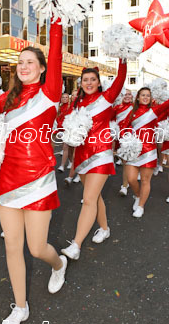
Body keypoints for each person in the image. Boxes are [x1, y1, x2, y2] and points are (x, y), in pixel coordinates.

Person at [0, 19, 67, 324]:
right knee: (13, 246)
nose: (24, 66)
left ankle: (59, 264)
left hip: (38, 179)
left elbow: (56, 53)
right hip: (8, 179)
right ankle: (20, 307)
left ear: (41, 69)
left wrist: (56, 18)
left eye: (30, 62)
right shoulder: (9, 98)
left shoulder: (50, 92)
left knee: (37, 248)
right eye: (20, 63)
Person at [61, 60, 127, 260]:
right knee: (95, 197)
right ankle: (105, 228)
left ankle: (76, 245)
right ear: (80, 83)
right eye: (85, 80)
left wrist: (122, 57)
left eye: (92, 80)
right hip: (82, 155)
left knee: (88, 199)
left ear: (99, 82)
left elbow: (121, 78)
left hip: (101, 154)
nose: (89, 83)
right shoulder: (77, 103)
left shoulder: (107, 98)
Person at [123, 87, 169, 218]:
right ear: (137, 97)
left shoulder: (154, 111)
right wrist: (126, 143)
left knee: (145, 180)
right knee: (131, 179)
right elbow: (124, 128)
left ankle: (141, 206)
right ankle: (138, 195)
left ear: (150, 98)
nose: (145, 97)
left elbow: (167, 104)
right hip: (133, 150)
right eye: (142, 95)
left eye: (147, 95)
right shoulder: (132, 112)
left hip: (148, 151)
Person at [112, 89, 133, 196]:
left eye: (129, 94)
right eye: (125, 94)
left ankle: (124, 186)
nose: (127, 96)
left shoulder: (135, 108)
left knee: (126, 162)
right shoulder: (116, 108)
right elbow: (110, 120)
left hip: (129, 137)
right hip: (118, 137)